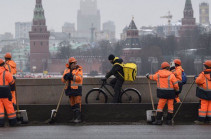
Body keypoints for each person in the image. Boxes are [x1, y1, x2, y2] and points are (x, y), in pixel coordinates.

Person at [62, 57, 83, 123]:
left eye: (75, 63)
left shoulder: (79, 70)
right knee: (72, 105)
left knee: (77, 104)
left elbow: (79, 79)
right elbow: (63, 80)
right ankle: (74, 118)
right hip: (69, 90)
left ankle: (78, 118)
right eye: (73, 63)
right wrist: (65, 77)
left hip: (77, 89)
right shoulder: (66, 70)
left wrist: (71, 76)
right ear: (70, 64)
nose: (75, 65)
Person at [0, 59, 17, 127]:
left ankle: (1, 123)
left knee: (0, 109)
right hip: (5, 92)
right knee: (9, 107)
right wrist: (14, 79)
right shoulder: (6, 73)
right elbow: (12, 82)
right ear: (3, 65)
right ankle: (12, 122)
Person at [195, 60, 211, 125]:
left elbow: (198, 81)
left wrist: (196, 78)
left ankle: (201, 120)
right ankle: (209, 120)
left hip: (204, 93)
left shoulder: (203, 74)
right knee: (210, 107)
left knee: (203, 106)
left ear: (206, 66)